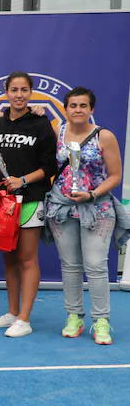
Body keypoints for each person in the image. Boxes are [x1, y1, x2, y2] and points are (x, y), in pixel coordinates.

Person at [45, 87, 127, 344]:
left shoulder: (105, 136)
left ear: (91, 109)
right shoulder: (56, 131)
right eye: (73, 106)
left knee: (95, 266)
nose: (78, 110)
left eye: (83, 106)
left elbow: (115, 175)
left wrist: (91, 194)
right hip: (62, 208)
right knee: (69, 266)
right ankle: (74, 316)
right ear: (66, 108)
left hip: (97, 208)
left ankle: (101, 321)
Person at [0, 72, 57, 338]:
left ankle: (25, 319)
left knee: (27, 258)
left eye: (24, 90)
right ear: (6, 92)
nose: (18, 95)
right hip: (3, 203)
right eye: (14, 90)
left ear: (31, 92)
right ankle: (12, 312)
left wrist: (23, 180)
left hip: (31, 199)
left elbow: (50, 165)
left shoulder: (40, 123)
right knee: (9, 258)